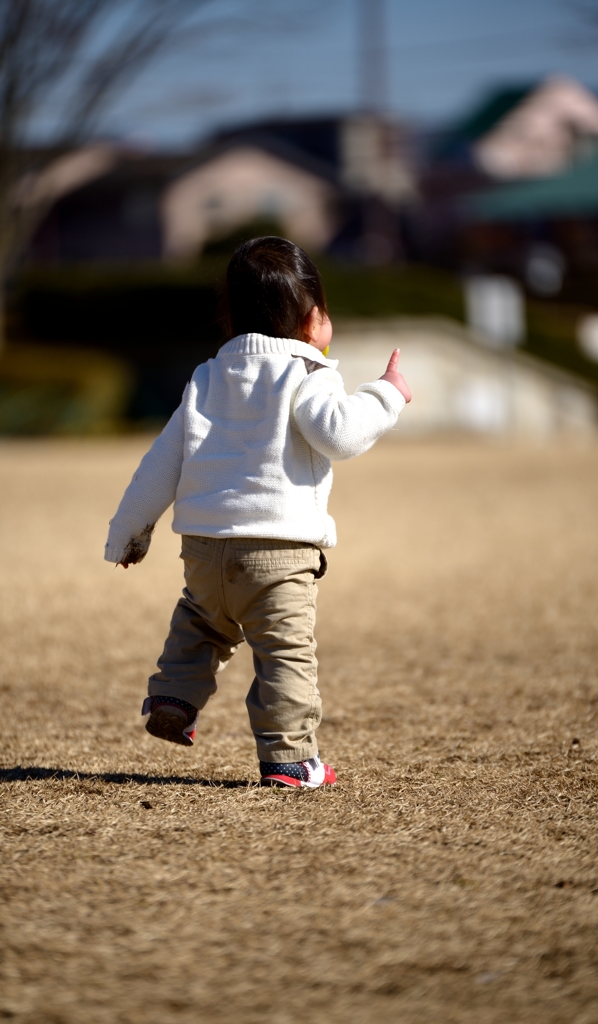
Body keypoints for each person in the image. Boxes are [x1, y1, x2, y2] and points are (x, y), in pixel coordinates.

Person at [104, 236, 411, 789]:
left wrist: (129, 532)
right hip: (279, 554)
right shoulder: (308, 374)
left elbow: (161, 463)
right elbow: (338, 433)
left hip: (203, 549)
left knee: (202, 622)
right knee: (285, 654)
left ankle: (174, 695)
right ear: (314, 319)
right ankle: (290, 759)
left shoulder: (206, 378)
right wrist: (386, 395)